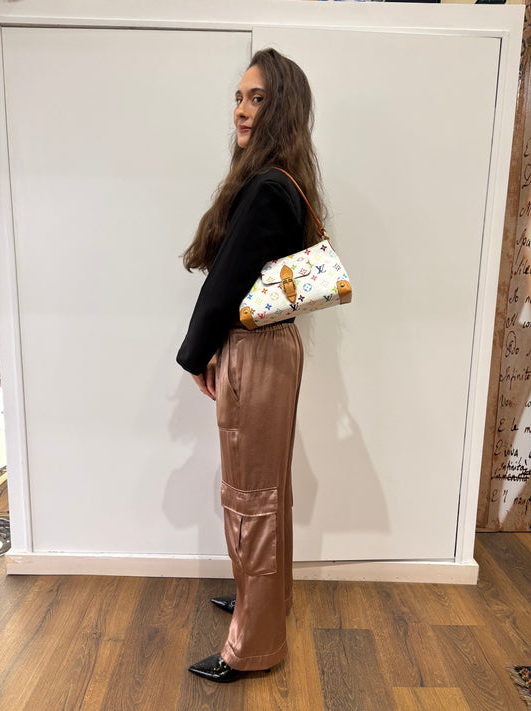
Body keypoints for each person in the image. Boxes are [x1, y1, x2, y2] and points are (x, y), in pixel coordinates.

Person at [176, 48, 326, 683]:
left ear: (281, 108)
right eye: (238, 97)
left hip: (256, 353)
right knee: (265, 490)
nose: (241, 110)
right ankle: (262, 603)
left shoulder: (267, 187)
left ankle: (253, 646)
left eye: (256, 98)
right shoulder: (281, 180)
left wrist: (196, 353)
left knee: (251, 498)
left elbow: (226, 284)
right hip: (273, 349)